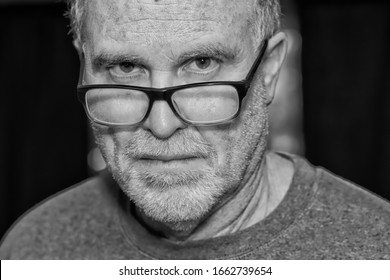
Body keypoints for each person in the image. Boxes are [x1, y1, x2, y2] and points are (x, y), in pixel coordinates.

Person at [1, 0, 389, 260]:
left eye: (202, 63)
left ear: (268, 71)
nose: (162, 125)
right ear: (82, 67)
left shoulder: (376, 249)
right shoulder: (34, 248)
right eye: (124, 68)